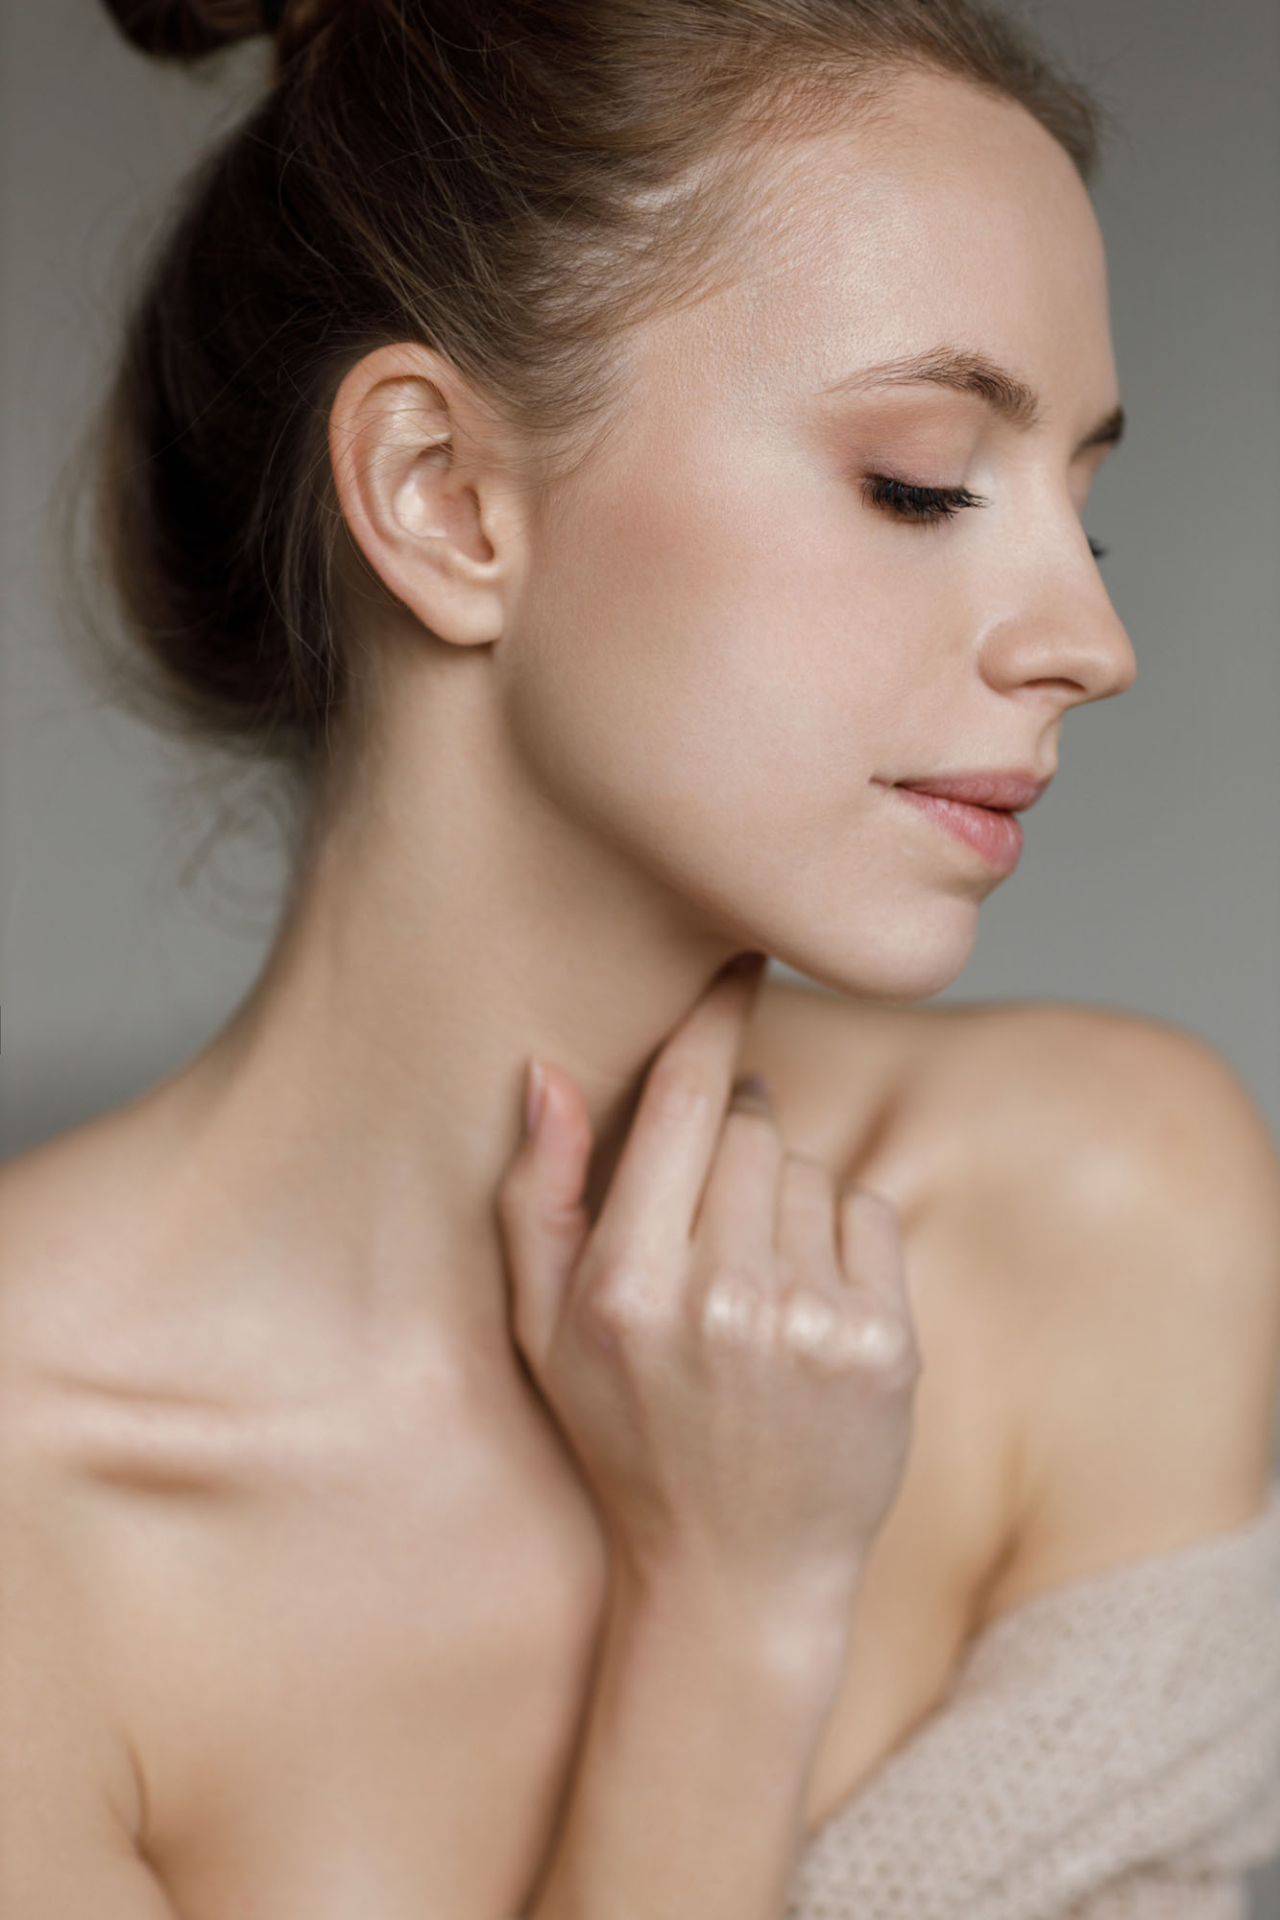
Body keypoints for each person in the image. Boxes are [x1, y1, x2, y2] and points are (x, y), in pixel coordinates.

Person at [1, 1, 1278, 1916]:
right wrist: (733, 1620)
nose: (1089, 640)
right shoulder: (39, 1517)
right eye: (924, 482)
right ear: (443, 497)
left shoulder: (1103, 1215)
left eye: (1078, 502)